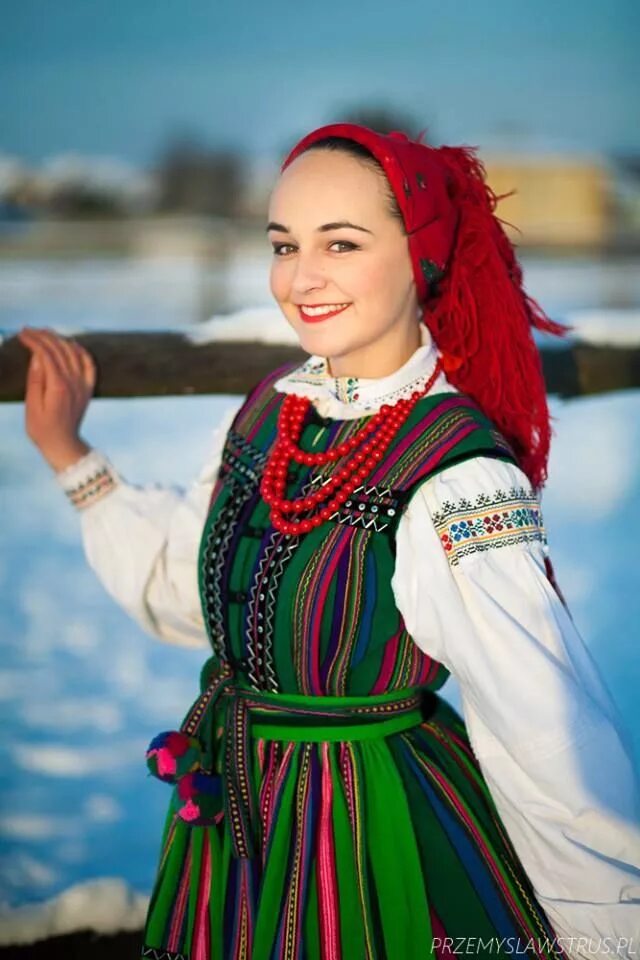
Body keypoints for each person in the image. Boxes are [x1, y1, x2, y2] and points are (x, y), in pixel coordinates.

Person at [17, 123, 640, 960]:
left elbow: (546, 735)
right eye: (284, 245)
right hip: (232, 826)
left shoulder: (458, 477)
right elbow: (189, 594)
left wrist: (614, 935)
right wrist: (71, 456)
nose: (300, 279)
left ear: (419, 259)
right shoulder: (271, 410)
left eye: (340, 244)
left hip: (371, 828)